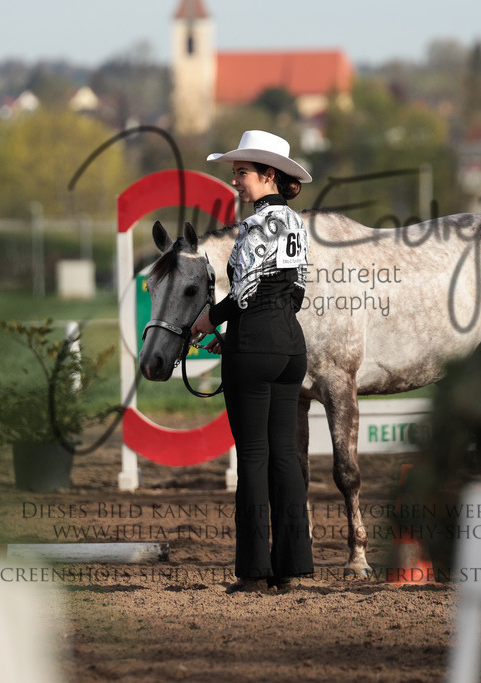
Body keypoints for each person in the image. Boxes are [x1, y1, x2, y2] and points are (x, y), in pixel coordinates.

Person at [191, 130, 313, 594]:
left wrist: (210, 321)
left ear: (268, 176)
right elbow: (295, 292)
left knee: (255, 458)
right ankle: (291, 566)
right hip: (290, 349)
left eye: (241, 173)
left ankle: (254, 571)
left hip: (255, 348)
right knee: (284, 457)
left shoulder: (254, 227)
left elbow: (243, 293)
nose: (236, 182)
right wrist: (242, 338)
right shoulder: (298, 226)